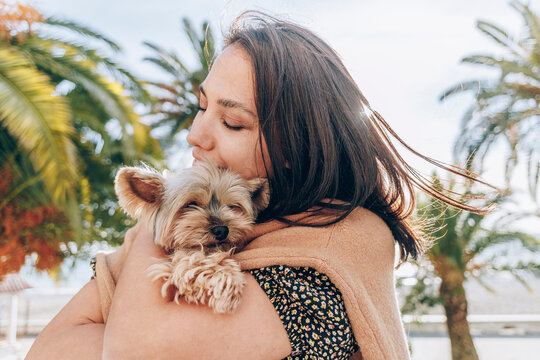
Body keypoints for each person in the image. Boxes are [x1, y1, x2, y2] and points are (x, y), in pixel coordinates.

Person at [27, 11, 489, 360]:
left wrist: (161, 221)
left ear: (295, 144)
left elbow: (132, 350)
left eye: (231, 122)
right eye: (201, 106)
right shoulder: (230, 229)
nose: (195, 135)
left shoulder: (336, 248)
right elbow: (47, 350)